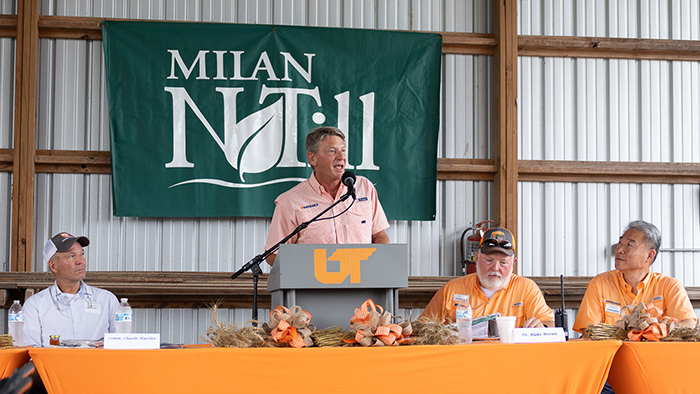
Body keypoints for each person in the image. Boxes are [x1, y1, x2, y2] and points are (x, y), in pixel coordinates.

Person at [265, 126, 390, 265]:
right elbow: (272, 254)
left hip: (362, 281)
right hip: (314, 284)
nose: (341, 157)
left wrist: (378, 265)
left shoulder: (364, 187)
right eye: (332, 151)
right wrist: (302, 272)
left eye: (343, 150)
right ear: (312, 158)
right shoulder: (290, 201)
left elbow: (379, 235)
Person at [573, 220, 697, 335]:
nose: (620, 250)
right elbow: (589, 331)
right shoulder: (600, 284)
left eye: (629, 245)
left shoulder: (669, 286)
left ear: (649, 256)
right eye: (620, 243)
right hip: (614, 357)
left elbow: (688, 325)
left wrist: (656, 328)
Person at [420, 227, 554, 328]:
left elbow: (549, 323)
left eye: (503, 263)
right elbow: (422, 327)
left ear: (513, 263)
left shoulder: (526, 288)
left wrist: (543, 327)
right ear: (477, 257)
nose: (495, 268)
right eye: (489, 261)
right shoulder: (452, 289)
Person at [23, 232, 119, 347]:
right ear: (53, 266)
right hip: (53, 365)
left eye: (82, 254)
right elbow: (30, 350)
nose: (80, 261)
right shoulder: (35, 305)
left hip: (96, 365)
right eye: (71, 256)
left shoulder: (107, 300)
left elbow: (121, 345)